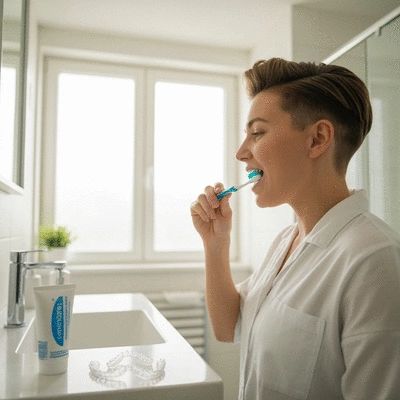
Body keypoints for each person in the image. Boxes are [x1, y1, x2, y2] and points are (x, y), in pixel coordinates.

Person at [190, 58, 400, 400]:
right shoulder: (286, 242)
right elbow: (228, 327)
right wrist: (215, 244)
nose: (241, 153)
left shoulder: (373, 261)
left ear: (317, 139)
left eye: (257, 133)